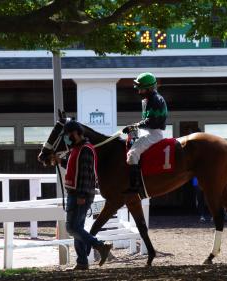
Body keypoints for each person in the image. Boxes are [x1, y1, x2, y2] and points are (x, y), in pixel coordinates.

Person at [52, 120, 111, 270]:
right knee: (78, 228)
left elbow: (85, 174)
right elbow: (75, 167)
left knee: (72, 228)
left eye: (69, 134)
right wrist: (60, 161)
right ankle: (82, 262)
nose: (67, 138)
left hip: (80, 194)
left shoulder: (85, 149)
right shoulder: (78, 149)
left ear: (77, 134)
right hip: (77, 193)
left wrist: (82, 195)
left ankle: (100, 246)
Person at [122, 72, 168, 193]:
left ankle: (135, 186)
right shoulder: (147, 99)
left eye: (141, 89)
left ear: (148, 88)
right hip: (146, 130)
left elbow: (152, 121)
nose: (138, 91)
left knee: (132, 154)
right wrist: (134, 128)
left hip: (154, 133)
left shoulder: (157, 100)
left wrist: (134, 126)